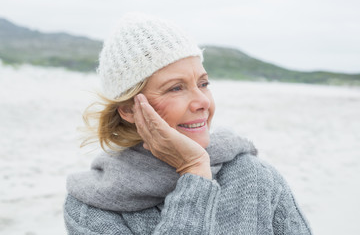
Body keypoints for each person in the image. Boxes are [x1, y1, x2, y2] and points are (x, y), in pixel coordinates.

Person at [63, 13, 312, 234]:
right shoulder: (89, 206)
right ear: (129, 110)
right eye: (176, 88)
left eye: (203, 84)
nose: (202, 101)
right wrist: (194, 171)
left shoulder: (256, 177)